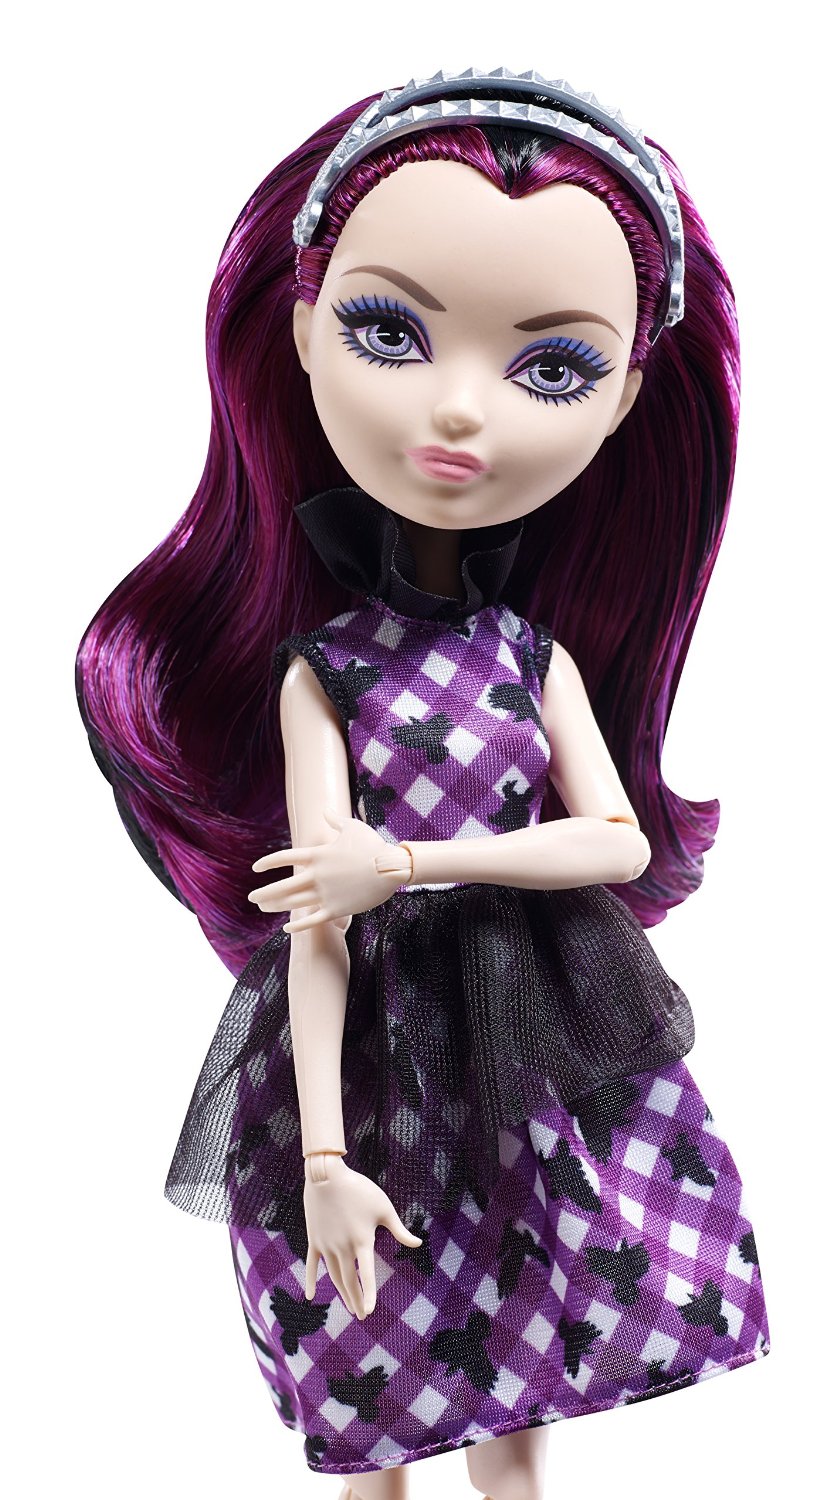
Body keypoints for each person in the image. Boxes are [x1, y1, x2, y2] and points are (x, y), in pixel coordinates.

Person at [76, 69, 770, 1500]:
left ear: (626, 398)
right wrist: (324, 1160)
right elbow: (314, 935)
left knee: (518, 1423)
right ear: (301, 331)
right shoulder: (320, 674)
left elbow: (611, 842)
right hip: (374, 1068)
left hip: (535, 1039)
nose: (459, 411)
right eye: (389, 333)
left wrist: (407, 861)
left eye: (551, 368)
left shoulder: (530, 658)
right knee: (378, 1426)